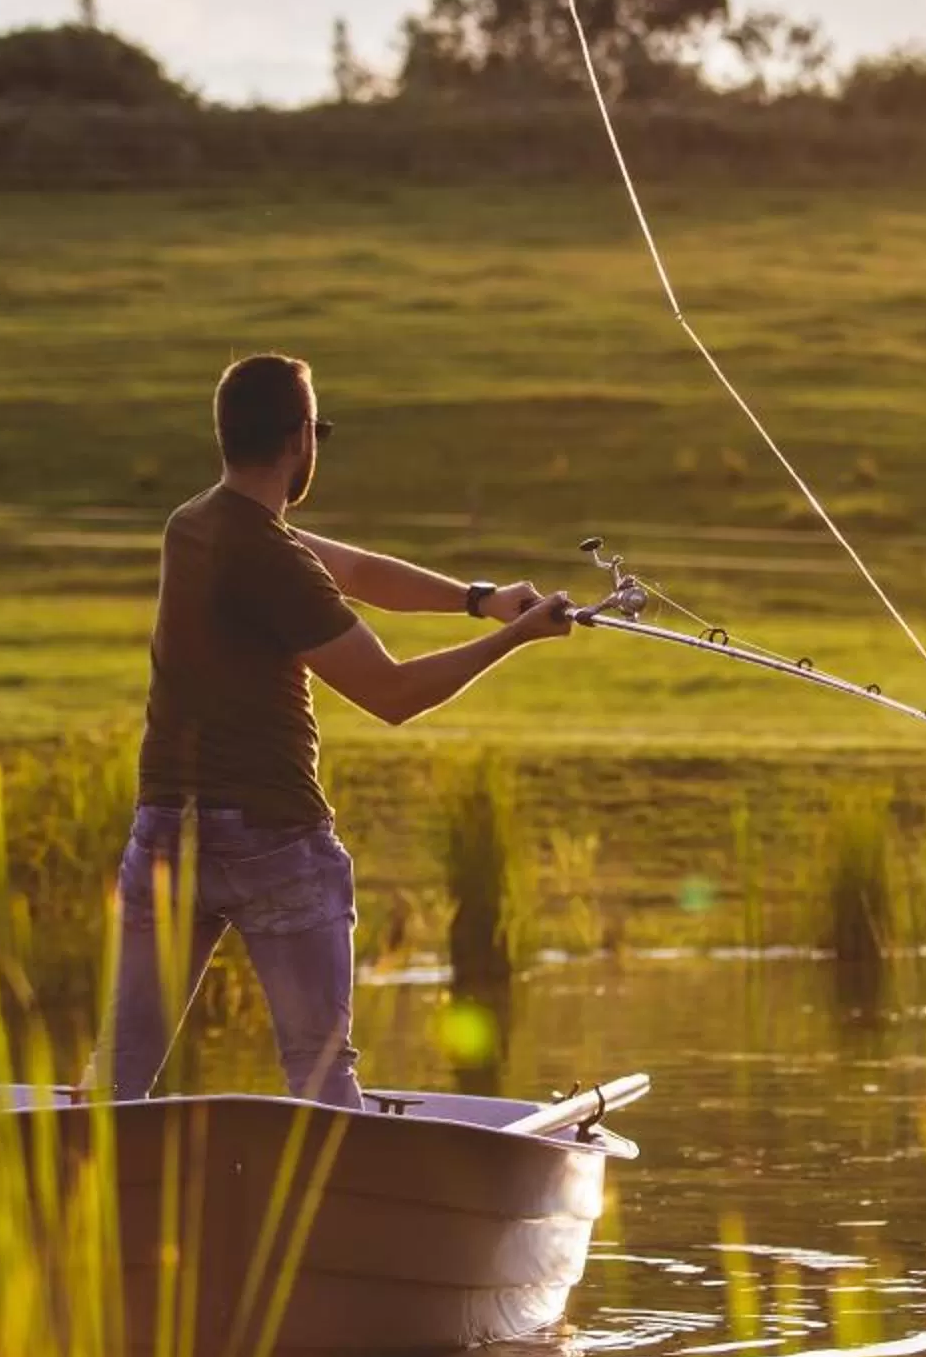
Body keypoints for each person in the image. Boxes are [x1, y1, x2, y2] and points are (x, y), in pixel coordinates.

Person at [108, 353, 576, 1107]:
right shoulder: (274, 560)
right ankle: (351, 1218)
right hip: (273, 840)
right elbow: (390, 694)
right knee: (322, 1079)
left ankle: (78, 1210)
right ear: (300, 441)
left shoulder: (194, 527)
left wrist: (480, 599)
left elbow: (354, 572)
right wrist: (515, 638)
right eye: (316, 429)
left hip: (165, 835)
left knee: (123, 1075)